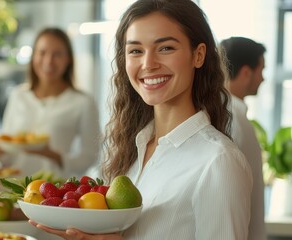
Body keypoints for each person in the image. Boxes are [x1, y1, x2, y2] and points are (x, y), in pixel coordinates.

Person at [30, 0, 252, 239]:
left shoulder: (218, 161)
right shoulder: (133, 147)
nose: (148, 64)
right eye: (136, 51)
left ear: (198, 55)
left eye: (165, 48)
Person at [0, 27, 101, 177]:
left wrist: (55, 156)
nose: (48, 61)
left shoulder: (83, 102)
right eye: (42, 52)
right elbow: (8, 150)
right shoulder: (18, 95)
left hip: (55, 191)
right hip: (14, 186)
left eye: (57, 54)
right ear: (33, 57)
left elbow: (91, 156)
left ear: (69, 58)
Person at [220, 36, 266, 240]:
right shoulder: (234, 122)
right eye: (261, 70)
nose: (263, 79)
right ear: (246, 72)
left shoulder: (229, 116)